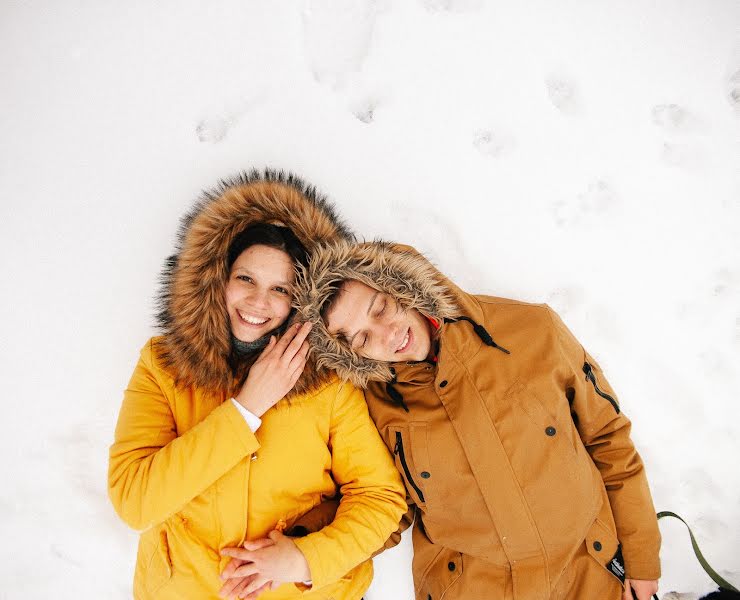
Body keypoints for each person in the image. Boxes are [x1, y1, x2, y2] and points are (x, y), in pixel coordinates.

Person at [293, 239, 662, 600]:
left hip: (590, 575)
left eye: (381, 308)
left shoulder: (532, 330)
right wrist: (305, 543)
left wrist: (641, 559)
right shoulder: (378, 406)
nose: (387, 334)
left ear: (401, 285)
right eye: (362, 339)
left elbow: (609, 439)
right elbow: (387, 505)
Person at [108, 171, 406, 600]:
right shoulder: (163, 365)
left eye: (280, 288)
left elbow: (380, 499)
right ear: (217, 278)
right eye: (246, 279)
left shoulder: (328, 384)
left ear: (301, 300)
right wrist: (246, 408)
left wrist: (304, 559)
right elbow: (134, 500)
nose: (258, 302)